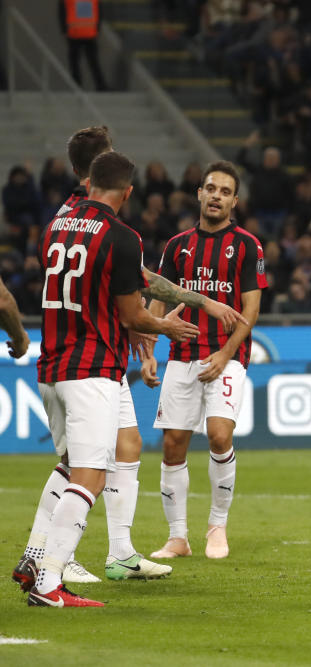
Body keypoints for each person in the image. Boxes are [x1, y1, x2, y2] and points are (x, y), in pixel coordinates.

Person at [12, 126, 247, 589]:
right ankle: (49, 564)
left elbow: (128, 279)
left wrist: (190, 305)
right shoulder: (114, 229)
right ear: (99, 172)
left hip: (73, 354)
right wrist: (154, 324)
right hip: (88, 358)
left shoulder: (60, 219)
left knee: (127, 446)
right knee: (83, 469)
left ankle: (118, 552)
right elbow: (128, 294)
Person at [26, 151, 200, 607]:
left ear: (87, 184)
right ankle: (48, 582)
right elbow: (129, 313)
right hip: (91, 368)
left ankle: (36, 560)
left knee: (72, 467)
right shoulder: (122, 237)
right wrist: (166, 327)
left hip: (53, 364)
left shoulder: (55, 226)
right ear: (127, 192)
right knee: (89, 477)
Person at [147, 160, 267, 561]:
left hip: (226, 357)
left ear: (235, 200)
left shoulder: (248, 245)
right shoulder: (177, 245)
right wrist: (148, 349)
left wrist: (227, 353)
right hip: (181, 357)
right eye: (210, 188)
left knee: (219, 434)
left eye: (225, 191)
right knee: (172, 445)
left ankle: (217, 526)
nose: (216, 195)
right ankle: (177, 537)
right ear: (199, 193)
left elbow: (251, 309)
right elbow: (158, 298)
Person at [59, 0, 107, 91]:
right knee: (93, 61)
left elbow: (62, 11)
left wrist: (64, 30)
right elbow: (99, 10)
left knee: (75, 62)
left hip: (74, 32)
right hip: (89, 32)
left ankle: (77, 86)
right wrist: (97, 28)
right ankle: (100, 86)